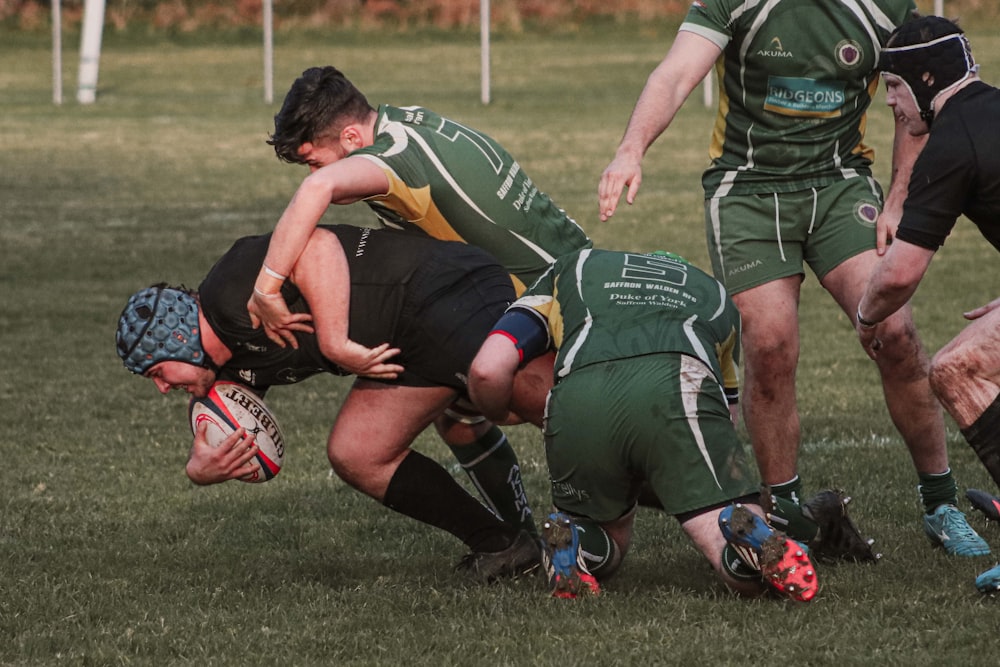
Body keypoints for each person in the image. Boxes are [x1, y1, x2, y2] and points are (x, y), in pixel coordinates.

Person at [597, 1, 988, 557]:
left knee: (895, 335)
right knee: (770, 344)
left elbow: (911, 106)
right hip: (748, 193)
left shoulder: (887, 7)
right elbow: (676, 73)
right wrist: (630, 150)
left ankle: (940, 503)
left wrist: (898, 197)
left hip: (840, 185)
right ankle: (786, 515)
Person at [115, 224, 545, 580]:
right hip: (401, 350)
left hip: (440, 291)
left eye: (156, 373)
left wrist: (335, 344)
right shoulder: (226, 362)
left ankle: (600, 520)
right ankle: (504, 545)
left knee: (529, 400)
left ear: (179, 339)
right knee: (358, 452)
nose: (163, 389)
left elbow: (317, 244)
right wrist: (199, 468)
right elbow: (218, 408)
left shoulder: (230, 291)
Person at [468, 247, 819, 601]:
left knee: (606, 535)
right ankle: (747, 542)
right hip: (678, 386)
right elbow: (726, 420)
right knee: (727, 534)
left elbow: (488, 368)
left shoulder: (576, 266)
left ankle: (575, 540)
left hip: (579, 395)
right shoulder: (715, 295)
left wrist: (498, 414)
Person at [854, 17, 1000, 589]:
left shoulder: (951, 143)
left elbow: (899, 276)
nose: (890, 102)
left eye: (894, 87)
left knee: (959, 370)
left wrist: (867, 316)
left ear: (925, 77)